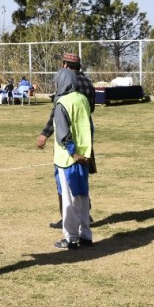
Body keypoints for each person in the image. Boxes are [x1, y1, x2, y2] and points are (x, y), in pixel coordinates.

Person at [36, 52, 96, 228]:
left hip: (67, 141)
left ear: (65, 65)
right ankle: (85, 214)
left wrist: (45, 134)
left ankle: (67, 219)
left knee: (63, 180)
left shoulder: (66, 83)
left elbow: (58, 114)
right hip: (85, 137)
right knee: (82, 177)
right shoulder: (87, 82)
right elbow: (90, 109)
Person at [52, 68, 93, 250]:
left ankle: (71, 238)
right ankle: (86, 235)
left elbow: (63, 133)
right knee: (82, 197)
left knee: (68, 199)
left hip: (68, 159)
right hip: (84, 156)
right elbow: (90, 127)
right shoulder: (83, 99)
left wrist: (72, 152)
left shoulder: (62, 103)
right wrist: (85, 153)